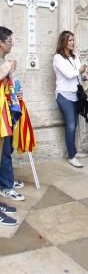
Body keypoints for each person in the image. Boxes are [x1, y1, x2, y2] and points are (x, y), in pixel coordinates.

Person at [52, 30, 88, 168]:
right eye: (69, 40)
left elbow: (76, 76)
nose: (72, 42)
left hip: (75, 94)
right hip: (64, 95)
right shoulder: (58, 57)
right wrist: (81, 70)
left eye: (73, 40)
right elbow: (69, 74)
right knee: (70, 126)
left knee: (74, 125)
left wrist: (85, 77)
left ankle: (74, 151)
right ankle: (71, 156)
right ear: (63, 41)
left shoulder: (74, 57)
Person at [0, 27, 23, 217]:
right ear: (1, 42)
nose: (12, 44)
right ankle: (6, 185)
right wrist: (5, 70)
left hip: (5, 111)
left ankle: (6, 183)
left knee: (6, 150)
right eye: (9, 41)